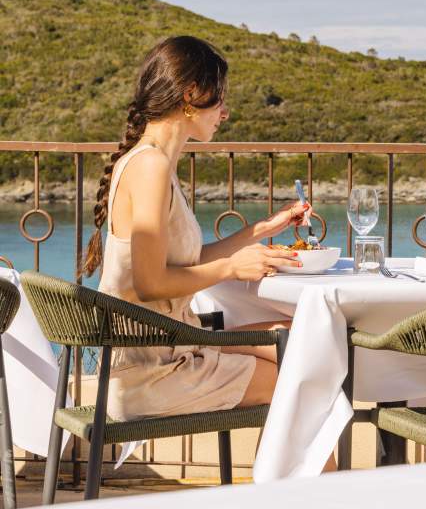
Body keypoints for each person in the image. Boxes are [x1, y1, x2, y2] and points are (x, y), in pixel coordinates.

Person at [81, 36, 305, 426]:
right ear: (192, 94)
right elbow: (151, 283)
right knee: (303, 381)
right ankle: (313, 487)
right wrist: (233, 268)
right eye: (219, 99)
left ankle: (302, 483)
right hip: (149, 369)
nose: (225, 113)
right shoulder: (149, 167)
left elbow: (184, 264)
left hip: (169, 344)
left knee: (301, 335)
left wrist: (262, 228)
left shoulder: (153, 163)